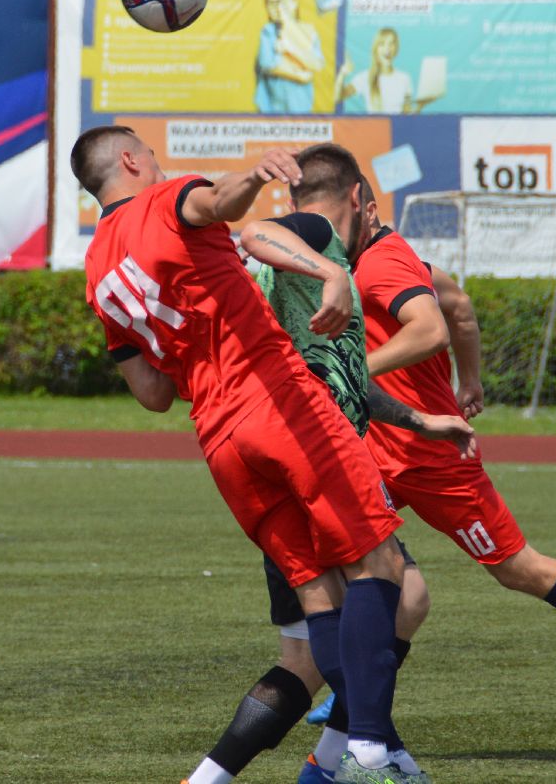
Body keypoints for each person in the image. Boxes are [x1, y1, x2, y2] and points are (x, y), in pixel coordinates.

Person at [69, 126, 414, 784]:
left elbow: (151, 393)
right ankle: (371, 753)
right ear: (133, 160)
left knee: (318, 603)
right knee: (380, 561)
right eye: (152, 152)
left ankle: (369, 753)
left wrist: (185, 328)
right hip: (279, 402)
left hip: (221, 440)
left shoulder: (98, 271)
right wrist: (256, 177)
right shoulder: (164, 199)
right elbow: (219, 202)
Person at [183, 144, 476, 784]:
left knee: (316, 638)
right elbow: (253, 231)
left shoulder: (293, 273)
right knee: (391, 584)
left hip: (266, 449)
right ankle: (368, 754)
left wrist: (421, 419)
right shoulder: (314, 235)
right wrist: (332, 271)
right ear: (357, 198)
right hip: (307, 453)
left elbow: (333, 373)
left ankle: (254, 772)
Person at [351, 191, 556, 724]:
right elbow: (458, 306)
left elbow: (435, 325)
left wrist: (357, 368)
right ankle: (358, 695)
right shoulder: (375, 258)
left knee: (518, 569)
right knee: (366, 563)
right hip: (378, 447)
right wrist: (472, 379)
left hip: (433, 455)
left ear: (364, 208)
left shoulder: (382, 260)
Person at [255, 0, 326, 114]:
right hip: (271, 110)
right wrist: (300, 75)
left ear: (294, 2)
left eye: (282, 0)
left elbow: (316, 64)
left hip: (301, 108)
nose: (278, 6)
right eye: (272, 2)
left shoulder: (308, 31)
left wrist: (290, 48)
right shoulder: (268, 31)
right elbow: (268, 64)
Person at [336, 28, 413, 115]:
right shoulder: (364, 77)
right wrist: (342, 74)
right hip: (376, 127)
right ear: (376, 49)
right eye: (382, 44)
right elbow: (337, 97)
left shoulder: (405, 78)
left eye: (391, 44)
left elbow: (407, 112)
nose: (387, 48)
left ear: (396, 48)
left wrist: (420, 106)